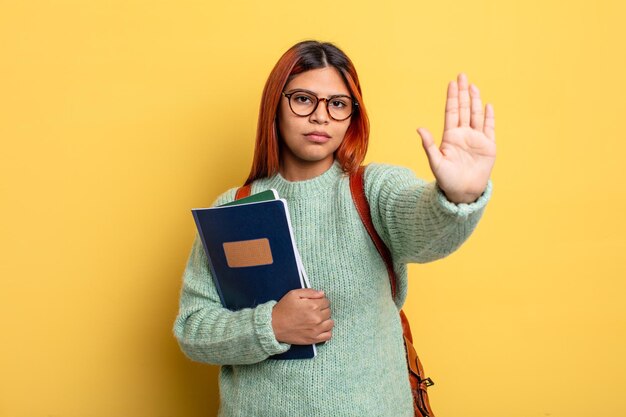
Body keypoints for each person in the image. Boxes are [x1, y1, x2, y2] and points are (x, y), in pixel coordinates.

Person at [173, 40, 496, 417]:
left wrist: (458, 196)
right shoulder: (232, 207)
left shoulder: (372, 189)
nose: (320, 117)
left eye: (337, 104)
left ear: (352, 117)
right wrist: (271, 325)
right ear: (275, 107)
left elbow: (426, 227)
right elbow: (194, 330)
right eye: (304, 99)